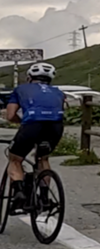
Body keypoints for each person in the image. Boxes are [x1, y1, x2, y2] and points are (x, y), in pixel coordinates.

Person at [5, 62, 65, 212]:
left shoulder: (20, 89)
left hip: (32, 125)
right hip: (55, 127)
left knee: (15, 159)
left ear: (29, 77)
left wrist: (22, 123)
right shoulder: (58, 92)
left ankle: (19, 192)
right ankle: (44, 197)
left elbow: (10, 115)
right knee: (43, 158)